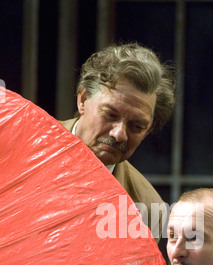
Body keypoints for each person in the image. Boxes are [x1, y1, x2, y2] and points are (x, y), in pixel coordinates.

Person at [60, 42, 175, 242]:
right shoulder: (20, 143)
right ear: (83, 100)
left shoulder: (146, 210)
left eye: (136, 126)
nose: (119, 134)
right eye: (110, 114)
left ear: (149, 131)